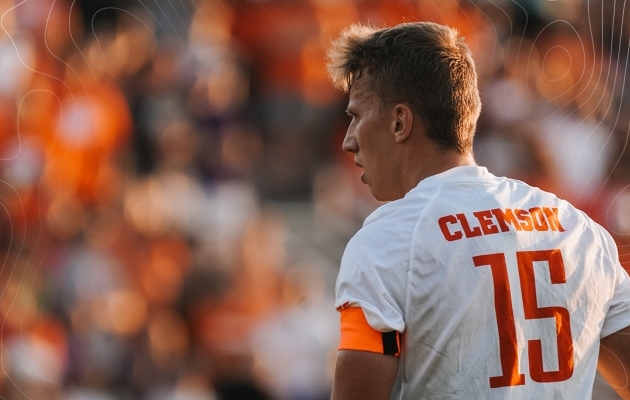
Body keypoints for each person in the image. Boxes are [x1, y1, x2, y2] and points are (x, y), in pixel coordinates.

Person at [325, 21, 630, 400]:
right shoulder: (577, 229)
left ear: (400, 122)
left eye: (355, 116)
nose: (348, 141)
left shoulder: (385, 242)